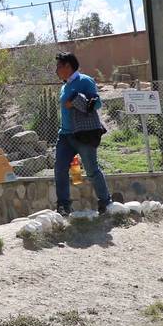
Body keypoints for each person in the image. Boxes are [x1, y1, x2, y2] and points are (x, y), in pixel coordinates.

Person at [53, 52, 111, 215]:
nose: (56, 70)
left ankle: (105, 202)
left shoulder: (85, 81)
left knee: (92, 170)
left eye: (58, 67)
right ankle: (63, 205)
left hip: (83, 134)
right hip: (65, 135)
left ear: (68, 66)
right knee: (60, 169)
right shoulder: (64, 86)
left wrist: (77, 102)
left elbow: (97, 102)